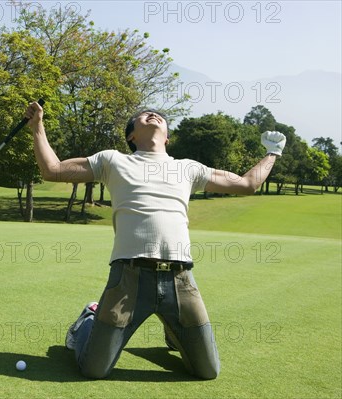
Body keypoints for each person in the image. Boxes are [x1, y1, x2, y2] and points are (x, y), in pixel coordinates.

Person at [24, 101, 286, 380]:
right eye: (143, 116)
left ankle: (175, 333)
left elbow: (246, 184)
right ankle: (89, 319)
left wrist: (273, 152)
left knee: (208, 371)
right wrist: (37, 125)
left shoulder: (188, 168)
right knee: (94, 369)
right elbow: (53, 170)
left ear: (167, 137)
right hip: (128, 279)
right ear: (131, 136)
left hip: (180, 281)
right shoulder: (113, 161)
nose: (152, 115)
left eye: (159, 116)